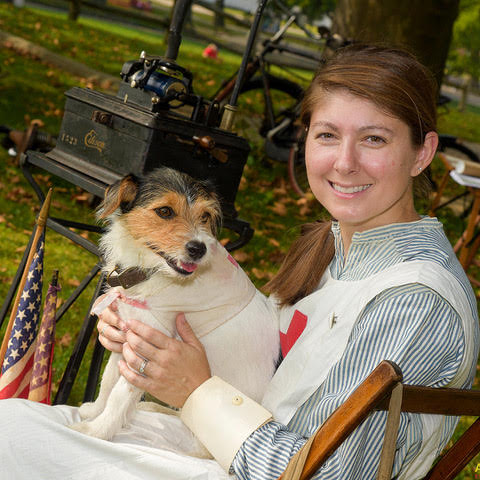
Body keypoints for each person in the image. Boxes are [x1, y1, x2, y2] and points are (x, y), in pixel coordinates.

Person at [0, 44, 478, 480]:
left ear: (422, 154)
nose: (344, 162)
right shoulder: (337, 251)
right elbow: (259, 351)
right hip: (223, 443)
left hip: (253, 464)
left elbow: (328, 474)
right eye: (328, 135)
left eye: (374, 139)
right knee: (10, 422)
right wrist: (146, 333)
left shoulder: (415, 299)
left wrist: (195, 389)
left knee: (12, 440)